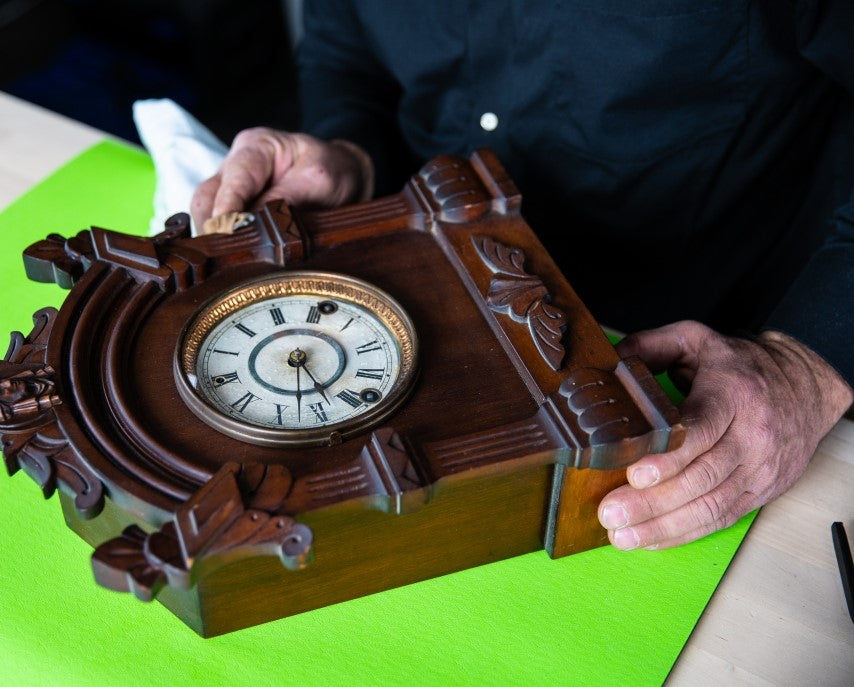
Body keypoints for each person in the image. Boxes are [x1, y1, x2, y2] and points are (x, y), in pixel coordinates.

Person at [189, 0, 853, 550]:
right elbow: (346, 41)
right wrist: (348, 152)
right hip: (413, 318)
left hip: (703, 360)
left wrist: (809, 366)